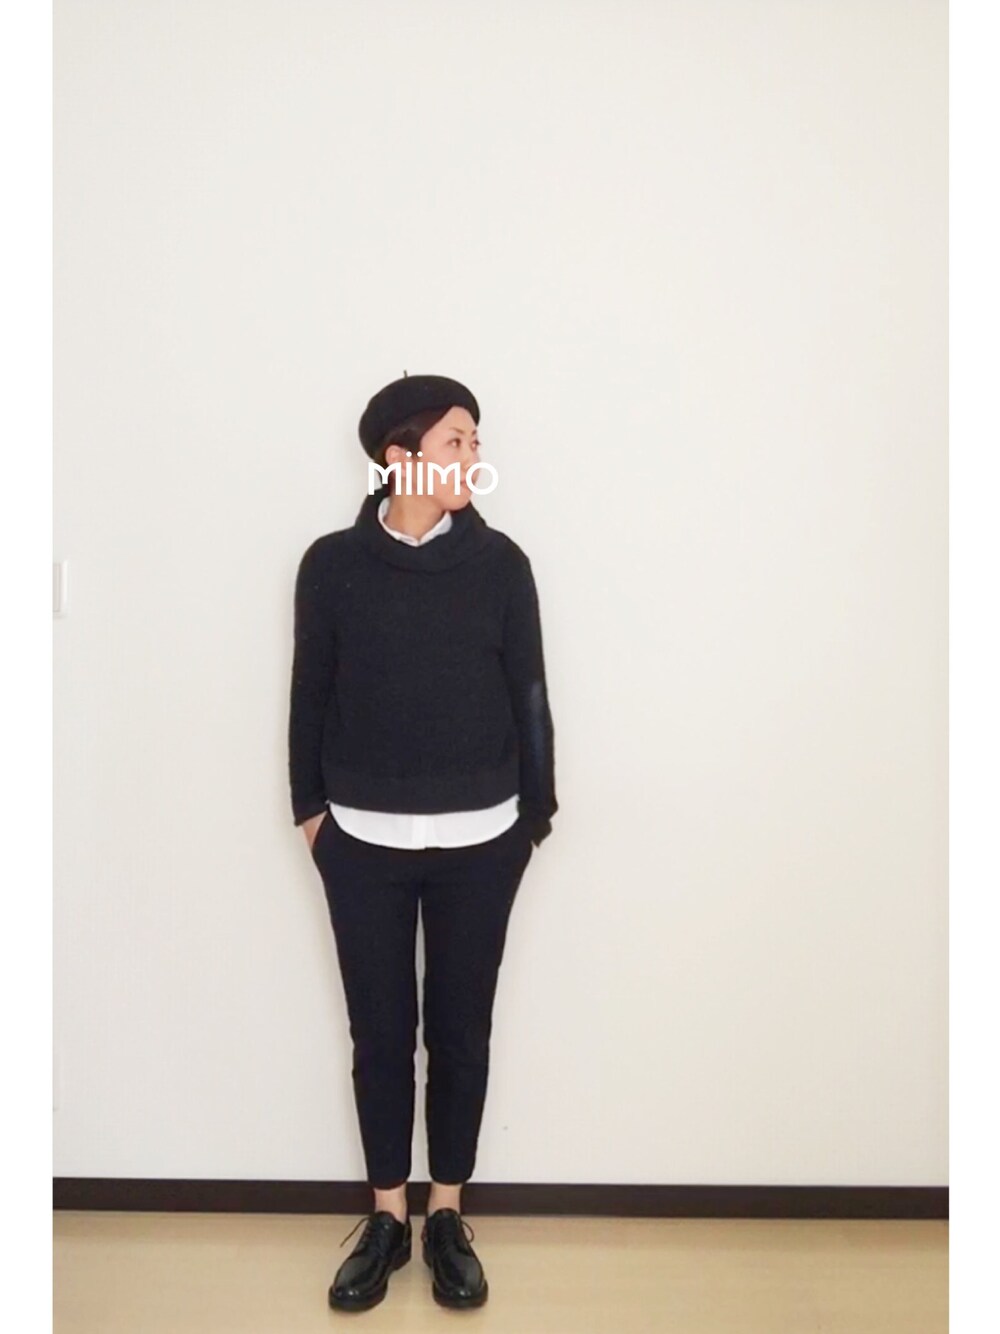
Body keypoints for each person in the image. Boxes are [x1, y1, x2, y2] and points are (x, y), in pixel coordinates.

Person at [288, 372, 558, 1311]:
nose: (473, 457)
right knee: (379, 1036)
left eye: (475, 441)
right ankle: (386, 1219)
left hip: (484, 841)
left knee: (460, 1032)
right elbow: (309, 694)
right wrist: (311, 815)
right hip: (360, 840)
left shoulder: (502, 566)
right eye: (455, 441)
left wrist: (533, 818)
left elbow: (531, 695)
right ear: (398, 457)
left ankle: (446, 1214)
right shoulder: (331, 566)